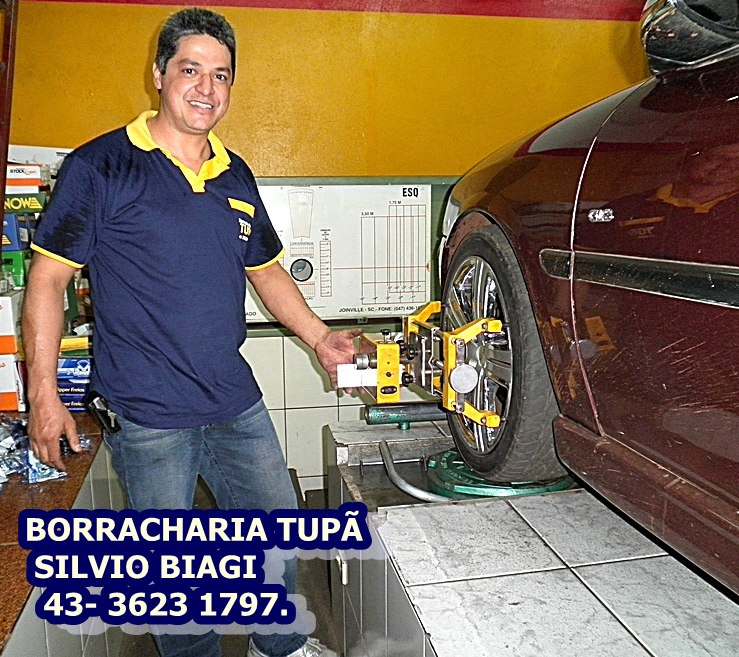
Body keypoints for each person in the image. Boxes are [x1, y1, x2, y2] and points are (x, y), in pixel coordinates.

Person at [22, 8, 359, 657]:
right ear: (158, 75)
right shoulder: (101, 166)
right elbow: (47, 280)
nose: (206, 88)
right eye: (190, 70)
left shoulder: (235, 173)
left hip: (232, 395)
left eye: (221, 75)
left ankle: (281, 645)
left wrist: (321, 338)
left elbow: (266, 272)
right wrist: (44, 394)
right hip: (147, 410)